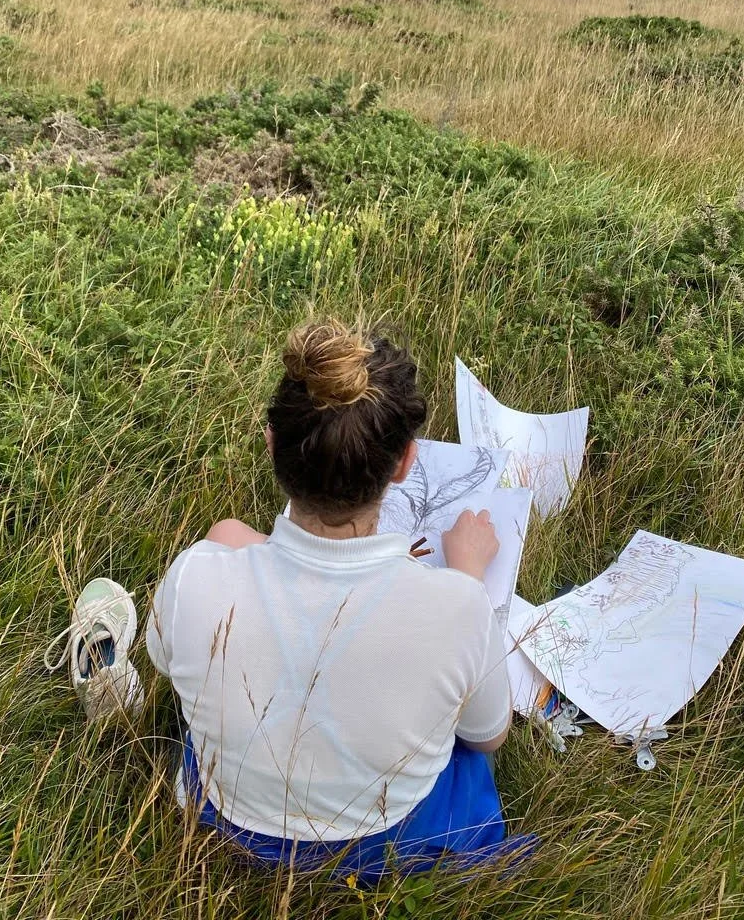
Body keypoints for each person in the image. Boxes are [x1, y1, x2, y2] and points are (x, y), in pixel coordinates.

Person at [145, 319, 533, 879]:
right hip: (390, 841)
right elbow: (487, 736)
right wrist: (468, 574)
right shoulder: (460, 608)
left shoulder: (194, 580)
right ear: (405, 462)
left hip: (224, 821)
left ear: (273, 444)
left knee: (227, 531)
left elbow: (162, 660)